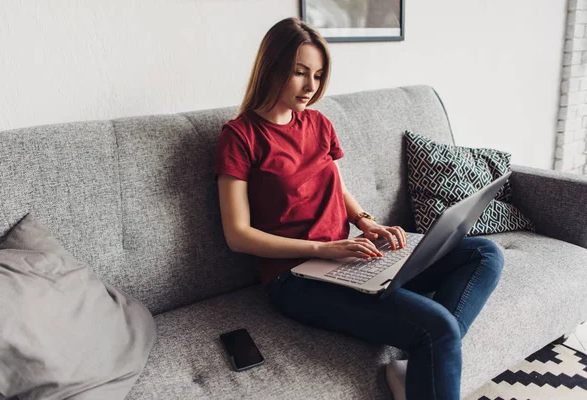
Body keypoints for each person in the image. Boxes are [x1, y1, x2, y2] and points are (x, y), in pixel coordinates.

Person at [213, 17, 504, 400]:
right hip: (295, 279)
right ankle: (425, 356)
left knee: (484, 252)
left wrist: (368, 223)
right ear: (273, 66)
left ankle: (416, 366)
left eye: (318, 75)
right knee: (439, 329)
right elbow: (238, 235)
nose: (310, 86)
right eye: (299, 72)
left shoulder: (317, 123)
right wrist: (322, 249)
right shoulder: (240, 136)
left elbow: (336, 187)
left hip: (350, 258)